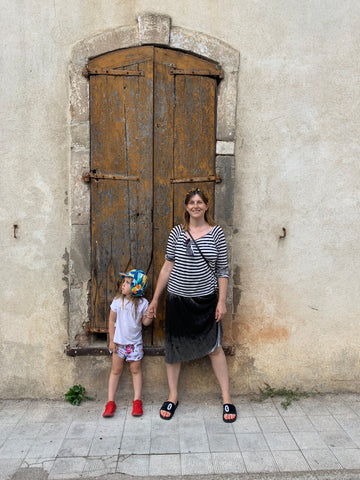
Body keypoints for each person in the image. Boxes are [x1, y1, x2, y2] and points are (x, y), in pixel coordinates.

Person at [147, 188, 236, 423]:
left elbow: (222, 271)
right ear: (186, 207)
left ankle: (226, 397)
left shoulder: (216, 233)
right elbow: (167, 267)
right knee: (174, 349)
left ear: (207, 206)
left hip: (206, 302)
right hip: (177, 300)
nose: (196, 206)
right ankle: (173, 396)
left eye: (200, 202)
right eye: (191, 203)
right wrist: (156, 299)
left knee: (215, 348)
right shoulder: (177, 232)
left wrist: (221, 301)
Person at [102, 269, 153, 418]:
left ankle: (137, 401)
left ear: (137, 287)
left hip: (134, 345)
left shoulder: (143, 303)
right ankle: (110, 402)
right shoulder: (118, 301)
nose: (123, 284)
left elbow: (145, 322)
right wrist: (111, 341)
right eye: (124, 281)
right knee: (116, 370)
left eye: (128, 282)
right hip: (118, 344)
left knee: (136, 370)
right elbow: (111, 320)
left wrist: (149, 316)